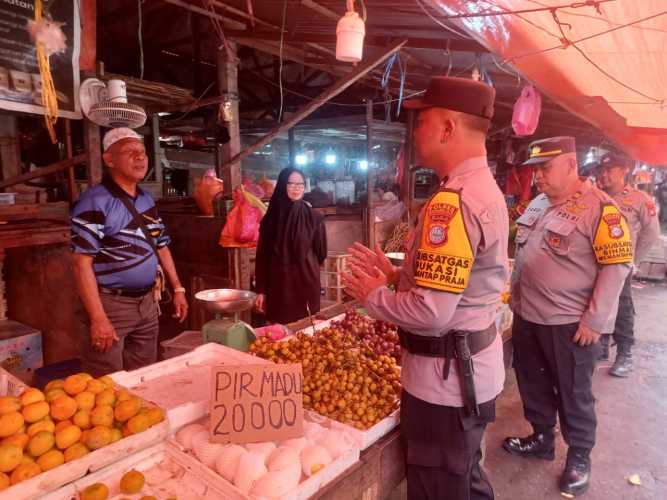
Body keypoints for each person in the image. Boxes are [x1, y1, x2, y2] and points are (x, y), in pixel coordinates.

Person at [343, 76, 508, 500]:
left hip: (445, 385)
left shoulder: (451, 203)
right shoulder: (483, 189)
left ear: (448, 128)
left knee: (439, 489)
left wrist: (373, 296)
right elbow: (461, 285)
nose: (414, 133)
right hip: (470, 372)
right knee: (466, 481)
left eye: (421, 122)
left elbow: (433, 313)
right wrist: (401, 278)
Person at [504, 137, 632, 497]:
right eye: (535, 170)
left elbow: (617, 265)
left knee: (574, 393)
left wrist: (594, 321)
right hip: (528, 315)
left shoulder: (600, 209)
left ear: (571, 166)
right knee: (532, 382)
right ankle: (542, 437)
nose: (538, 177)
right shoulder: (539, 204)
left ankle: (579, 456)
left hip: (569, 324)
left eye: (545, 169)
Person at [71, 128, 188, 377]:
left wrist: (177, 288)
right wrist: (98, 318)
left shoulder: (147, 199)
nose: (140, 157)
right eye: (129, 152)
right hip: (111, 305)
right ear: (109, 159)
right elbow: (81, 264)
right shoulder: (95, 201)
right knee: (107, 381)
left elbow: (161, 245)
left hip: (147, 304)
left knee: (145, 375)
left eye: (143, 152)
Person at [595, 153, 660, 376]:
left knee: (622, 307)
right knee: (595, 304)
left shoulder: (640, 199)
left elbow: (651, 233)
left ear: (624, 170)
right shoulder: (595, 196)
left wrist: (634, 260)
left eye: (609, 170)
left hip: (620, 265)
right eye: (601, 170)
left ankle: (625, 353)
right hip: (593, 264)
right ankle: (600, 346)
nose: (603, 174)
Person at [254, 167, 327, 324]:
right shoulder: (270, 220)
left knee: (306, 332)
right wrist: (261, 290)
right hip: (278, 287)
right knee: (280, 336)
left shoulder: (314, 218)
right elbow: (262, 256)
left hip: (306, 284)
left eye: (300, 184)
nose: (297, 188)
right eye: (291, 184)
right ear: (282, 185)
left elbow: (321, 253)